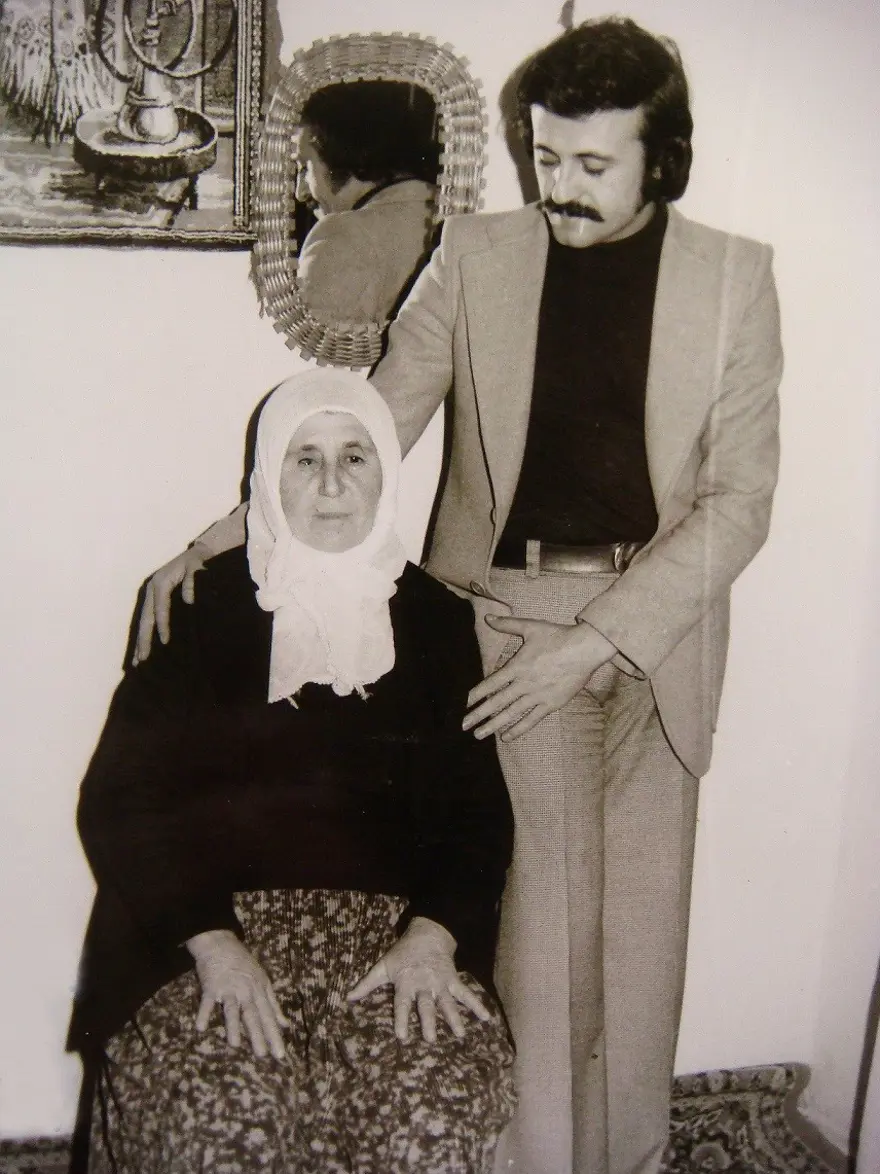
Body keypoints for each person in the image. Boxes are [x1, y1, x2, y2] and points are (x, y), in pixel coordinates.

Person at [132, 16, 783, 1174]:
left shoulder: (735, 280)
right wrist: (219, 538)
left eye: (592, 164)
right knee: (543, 954)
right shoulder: (478, 256)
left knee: (639, 956)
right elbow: (375, 417)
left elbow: (737, 502)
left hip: (660, 635)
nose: (558, 185)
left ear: (662, 159)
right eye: (544, 155)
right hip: (515, 630)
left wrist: (603, 639)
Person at [68, 372, 516, 1173]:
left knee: (427, 1122)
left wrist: (432, 937)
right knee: (226, 1133)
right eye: (305, 459)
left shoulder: (439, 620)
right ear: (267, 478)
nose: (332, 483)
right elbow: (122, 799)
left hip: (392, 951)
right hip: (206, 944)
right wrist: (213, 945)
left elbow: (478, 812)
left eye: (355, 457)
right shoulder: (198, 606)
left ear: (387, 472)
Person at [292, 80, 441, 326]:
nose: (300, 192)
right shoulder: (449, 211)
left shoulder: (339, 237)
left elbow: (305, 343)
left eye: (304, 167)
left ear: (341, 153)